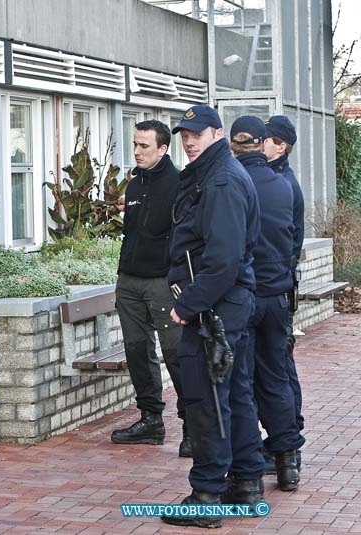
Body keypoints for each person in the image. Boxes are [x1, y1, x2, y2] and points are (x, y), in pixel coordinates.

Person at [161, 105, 265, 529]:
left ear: (218, 134)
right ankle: (245, 481)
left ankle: (207, 494)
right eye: (185, 133)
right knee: (234, 394)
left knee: (207, 400)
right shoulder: (212, 174)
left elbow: (222, 261)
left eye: (198, 133)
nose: (189, 140)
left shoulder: (220, 180)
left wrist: (188, 305)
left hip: (214, 308)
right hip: (226, 303)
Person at [231, 115, 303, 495]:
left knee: (241, 382)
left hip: (246, 296)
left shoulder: (232, 183)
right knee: (276, 377)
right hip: (277, 294)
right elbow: (293, 243)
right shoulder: (285, 186)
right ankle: (288, 459)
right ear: (262, 145)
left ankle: (248, 470)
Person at [111, 120, 190, 457]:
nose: (137, 151)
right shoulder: (134, 184)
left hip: (162, 282)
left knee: (176, 354)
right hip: (129, 280)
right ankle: (150, 420)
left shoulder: (178, 184)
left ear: (163, 148)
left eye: (144, 146)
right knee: (137, 351)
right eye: (135, 145)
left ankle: (193, 427)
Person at [264, 115, 305, 473]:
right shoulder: (278, 179)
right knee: (279, 365)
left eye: (267, 139)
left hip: (275, 288)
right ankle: (287, 440)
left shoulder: (282, 183)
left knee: (279, 367)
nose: (261, 143)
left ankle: (288, 438)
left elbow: (291, 242)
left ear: (282, 146)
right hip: (279, 286)